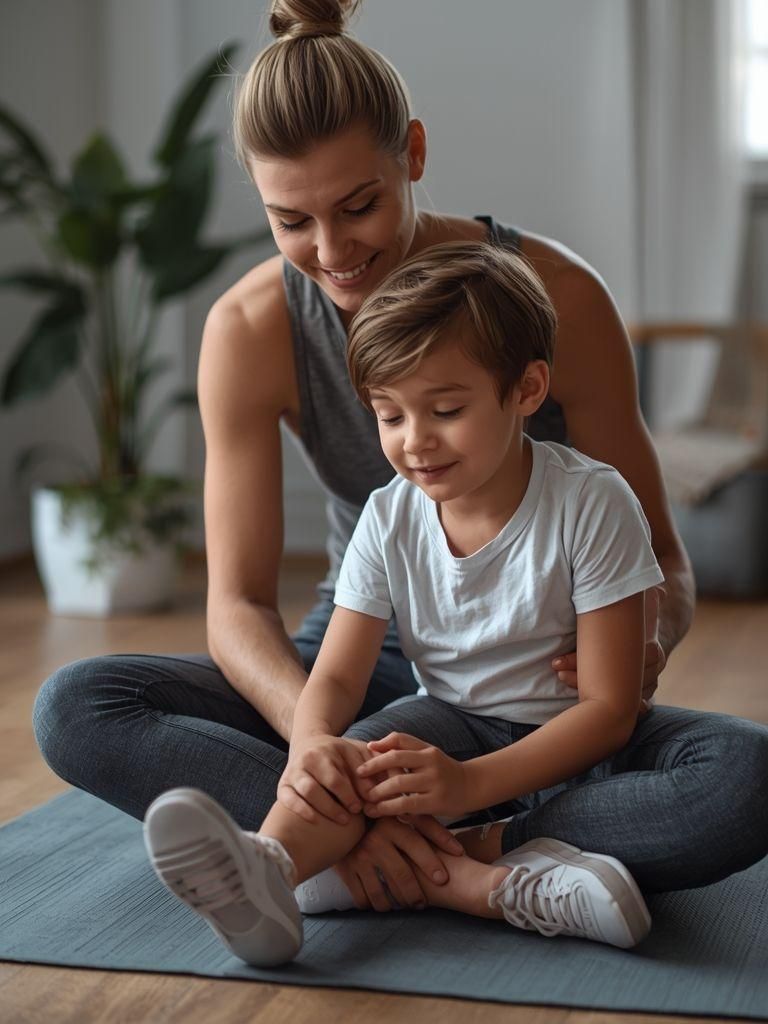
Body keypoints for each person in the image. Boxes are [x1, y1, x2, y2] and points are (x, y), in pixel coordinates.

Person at [32, 0, 767, 920]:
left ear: (412, 155)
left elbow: (663, 556)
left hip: (547, 675)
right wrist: (314, 745)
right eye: (290, 221)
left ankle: (399, 845)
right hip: (373, 644)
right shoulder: (252, 330)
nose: (333, 254)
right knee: (78, 707)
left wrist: (639, 647)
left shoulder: (561, 301)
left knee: (744, 778)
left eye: (359, 206)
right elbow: (238, 605)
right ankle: (437, 853)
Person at [142, 241, 760, 966]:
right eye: (390, 416)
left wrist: (468, 785)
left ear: (527, 390)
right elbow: (337, 679)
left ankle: (446, 865)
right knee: (355, 756)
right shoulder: (388, 515)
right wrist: (311, 753)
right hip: (448, 721)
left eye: (445, 409)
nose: (415, 443)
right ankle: (272, 870)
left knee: (746, 774)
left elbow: (609, 711)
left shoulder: (592, 501)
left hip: (578, 746)